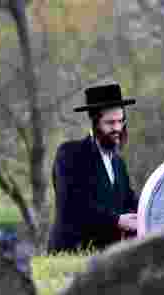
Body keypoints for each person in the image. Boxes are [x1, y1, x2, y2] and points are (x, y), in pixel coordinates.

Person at [48, 83, 140, 254]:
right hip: (71, 254)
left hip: (108, 257)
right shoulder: (70, 154)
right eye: (110, 123)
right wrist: (117, 220)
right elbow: (71, 205)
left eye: (121, 121)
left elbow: (128, 201)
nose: (118, 129)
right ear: (95, 123)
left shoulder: (118, 163)